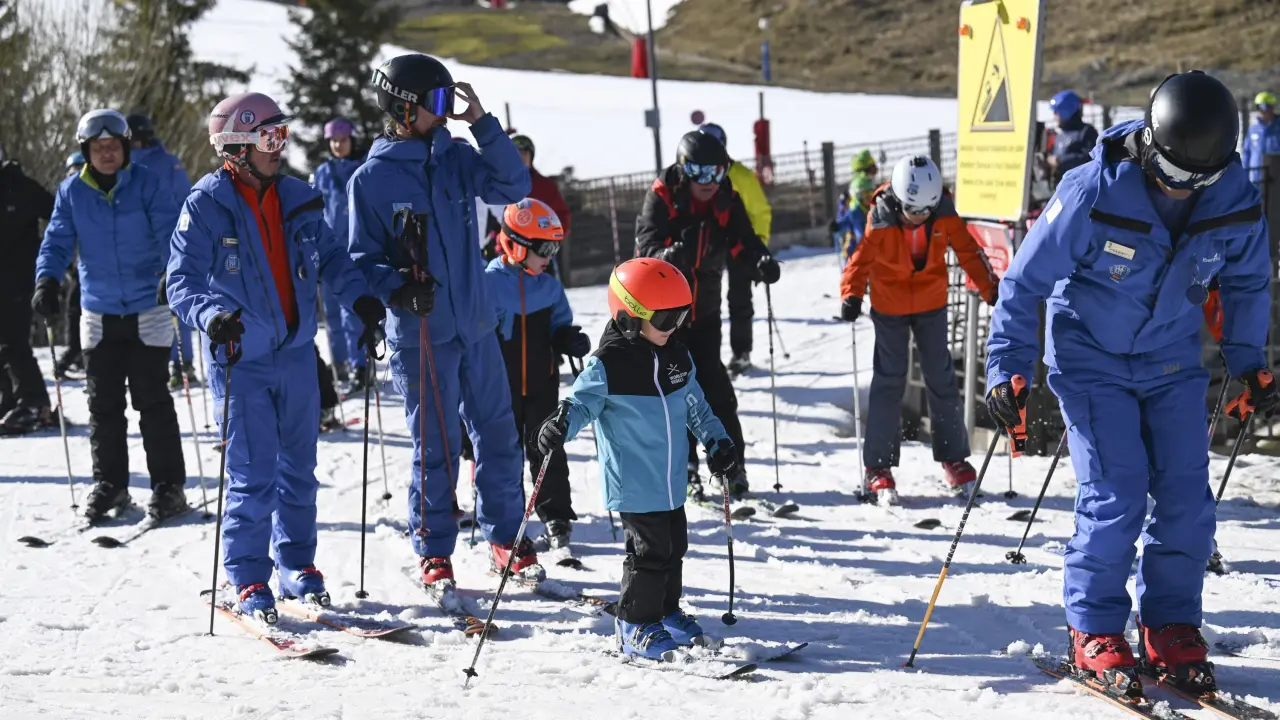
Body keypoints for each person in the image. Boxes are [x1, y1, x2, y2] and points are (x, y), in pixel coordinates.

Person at [986, 71, 1274, 693]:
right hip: (1091, 358)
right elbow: (1025, 281)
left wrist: (1248, 360)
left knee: (1187, 498)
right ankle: (1094, 627)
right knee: (1117, 491)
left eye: (1196, 180)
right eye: (1169, 172)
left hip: (1170, 360)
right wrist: (1007, 366)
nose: (1179, 188)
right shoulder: (1093, 190)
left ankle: (1169, 622)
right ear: (1149, 143)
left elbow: (1247, 281)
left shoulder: (1234, 199)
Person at [166, 92, 384, 621]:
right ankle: (246, 576)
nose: (279, 146)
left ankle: (297, 564)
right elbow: (181, 281)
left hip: (296, 356)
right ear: (236, 147)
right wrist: (212, 315)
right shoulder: (206, 204)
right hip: (241, 357)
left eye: (282, 134)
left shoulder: (297, 198)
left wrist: (360, 299)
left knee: (300, 470)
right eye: (269, 136)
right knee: (252, 474)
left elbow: (332, 258)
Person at [348, 53, 538, 593]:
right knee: (437, 447)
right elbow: (361, 259)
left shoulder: (455, 157)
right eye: (437, 101)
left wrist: (481, 122)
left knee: (499, 437)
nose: (445, 111)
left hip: (476, 325)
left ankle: (506, 537)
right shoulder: (371, 180)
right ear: (403, 109)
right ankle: (434, 550)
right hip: (421, 333)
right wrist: (398, 289)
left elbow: (512, 185)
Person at [534, 257, 738, 659]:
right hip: (634, 482)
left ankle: (664, 611)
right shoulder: (609, 364)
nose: (675, 327)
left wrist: (718, 442)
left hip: (670, 482)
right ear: (630, 317)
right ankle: (633, 624)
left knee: (673, 547)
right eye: (665, 319)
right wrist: (560, 424)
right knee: (649, 552)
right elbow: (580, 403)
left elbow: (697, 407)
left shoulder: (677, 356)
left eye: (681, 316)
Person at [32, 109, 189, 522]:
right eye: (98, 147)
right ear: (86, 151)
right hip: (98, 312)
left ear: (125, 149)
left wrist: (172, 272)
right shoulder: (71, 191)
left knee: (153, 402)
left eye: (113, 146)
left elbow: (171, 232)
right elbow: (56, 241)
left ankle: (168, 486)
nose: (106, 154)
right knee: (103, 406)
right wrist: (47, 280)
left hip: (148, 306)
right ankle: (111, 485)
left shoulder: (148, 183)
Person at [838, 155, 997, 505]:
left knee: (941, 377)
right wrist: (851, 294)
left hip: (930, 302)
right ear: (898, 199)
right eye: (912, 209)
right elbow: (859, 260)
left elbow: (968, 251)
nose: (920, 216)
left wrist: (991, 288)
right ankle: (878, 466)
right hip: (889, 305)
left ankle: (954, 458)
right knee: (889, 380)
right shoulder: (880, 217)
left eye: (927, 209)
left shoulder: (944, 212)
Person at [635, 130, 778, 499]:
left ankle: (729, 465)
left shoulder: (725, 197)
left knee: (715, 389)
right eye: (699, 172)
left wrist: (759, 260)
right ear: (684, 170)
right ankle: (683, 467)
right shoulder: (663, 195)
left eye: (717, 172)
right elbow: (646, 244)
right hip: (666, 318)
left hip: (705, 311)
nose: (709, 182)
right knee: (674, 389)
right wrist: (666, 256)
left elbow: (743, 239)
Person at [485, 197, 589, 552]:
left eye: (554, 248)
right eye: (544, 248)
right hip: (501, 386)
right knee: (505, 453)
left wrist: (567, 338)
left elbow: (559, 323)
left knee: (547, 448)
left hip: (542, 381)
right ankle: (509, 517)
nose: (550, 256)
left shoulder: (549, 286)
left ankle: (555, 514)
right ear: (516, 245)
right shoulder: (489, 284)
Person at [126, 112, 199, 390]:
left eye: (136, 139)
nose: (134, 144)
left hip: (168, 241)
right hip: (135, 245)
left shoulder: (167, 163)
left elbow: (185, 199)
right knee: (141, 308)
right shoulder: (121, 165)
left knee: (173, 301)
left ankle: (182, 362)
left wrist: (185, 236)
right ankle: (147, 364)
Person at [698, 122, 773, 375]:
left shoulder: (741, 175)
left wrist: (759, 247)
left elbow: (760, 211)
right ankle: (706, 357)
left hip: (738, 244)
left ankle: (741, 352)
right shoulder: (694, 176)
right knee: (705, 302)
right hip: (707, 247)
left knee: (739, 299)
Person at [0, 143, 55, 434]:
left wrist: (48, 255)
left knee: (13, 341)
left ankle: (34, 402)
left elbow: (58, 216)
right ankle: (9, 400)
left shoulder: (19, 185)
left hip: (19, 278)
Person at [311, 117, 367, 392]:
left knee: (351, 312)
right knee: (331, 313)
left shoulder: (362, 169)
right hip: (327, 251)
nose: (337, 145)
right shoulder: (322, 172)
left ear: (352, 140)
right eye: (333, 141)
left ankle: (360, 365)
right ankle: (340, 362)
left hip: (354, 251)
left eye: (342, 140)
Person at [510, 134, 571, 279]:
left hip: (540, 253)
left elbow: (562, 216)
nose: (521, 158)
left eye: (525, 153)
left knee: (546, 290)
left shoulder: (545, 186)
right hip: (510, 253)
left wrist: (551, 241)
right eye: (517, 154)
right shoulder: (500, 186)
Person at [53, 152, 87, 380]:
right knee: (74, 313)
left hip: (95, 271)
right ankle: (73, 354)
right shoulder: (68, 198)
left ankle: (76, 355)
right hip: (76, 271)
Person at [1047, 90, 1100, 188]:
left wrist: (1062, 160)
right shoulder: (1061, 135)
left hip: (1080, 188)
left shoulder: (1086, 132)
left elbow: (1092, 159)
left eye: (1056, 112)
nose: (1054, 116)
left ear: (1065, 111)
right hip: (1061, 188)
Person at [833, 174, 876, 266]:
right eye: (866, 196)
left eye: (871, 195)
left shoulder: (875, 210)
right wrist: (836, 226)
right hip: (859, 250)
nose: (869, 199)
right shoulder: (855, 212)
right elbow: (845, 221)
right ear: (858, 196)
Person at [1242, 91, 1280, 188]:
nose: (1262, 111)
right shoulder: (1253, 130)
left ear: (1271, 108)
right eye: (1259, 107)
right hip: (1255, 180)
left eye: (1265, 107)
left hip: (1275, 182)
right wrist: (1244, 175)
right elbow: (1247, 153)